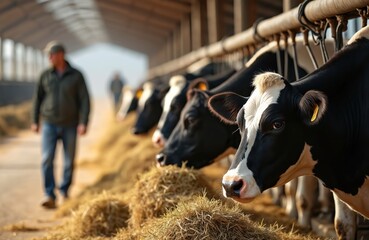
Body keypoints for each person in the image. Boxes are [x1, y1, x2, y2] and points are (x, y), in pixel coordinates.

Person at [31, 41, 90, 209]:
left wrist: (83, 122)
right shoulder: (45, 75)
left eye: (52, 54)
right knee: (47, 158)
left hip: (70, 124)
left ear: (61, 54)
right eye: (48, 55)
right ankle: (49, 194)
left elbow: (84, 100)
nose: (49, 58)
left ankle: (64, 190)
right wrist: (35, 120)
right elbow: (37, 99)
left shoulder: (76, 75)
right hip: (49, 123)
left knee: (69, 160)